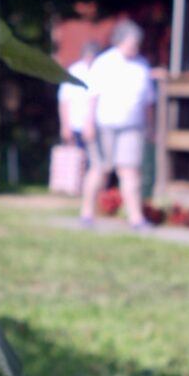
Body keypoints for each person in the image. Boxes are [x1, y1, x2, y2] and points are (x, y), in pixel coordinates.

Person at [78, 20, 155, 230]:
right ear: (120, 41)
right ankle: (87, 213)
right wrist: (88, 124)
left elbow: (148, 100)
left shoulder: (141, 65)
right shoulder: (104, 63)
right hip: (104, 125)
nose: (135, 47)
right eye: (132, 43)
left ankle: (136, 218)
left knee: (130, 171)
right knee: (100, 169)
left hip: (132, 127)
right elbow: (92, 96)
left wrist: (151, 126)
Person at [57, 41, 100, 149]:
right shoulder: (74, 71)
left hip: (99, 125)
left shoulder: (100, 71)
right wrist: (65, 125)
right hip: (76, 125)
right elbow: (64, 100)